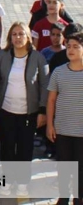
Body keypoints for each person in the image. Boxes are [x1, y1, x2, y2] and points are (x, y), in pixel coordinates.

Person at [0, 21, 49, 198]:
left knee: (25, 148)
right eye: (14, 34)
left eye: (21, 34)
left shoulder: (38, 57)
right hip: (6, 110)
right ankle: (7, 180)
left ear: (28, 37)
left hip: (28, 113)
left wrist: (42, 111)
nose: (17, 37)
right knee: (7, 147)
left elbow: (45, 85)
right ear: (10, 37)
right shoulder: (2, 55)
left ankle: (23, 182)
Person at [46, 32, 83, 205]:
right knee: (64, 166)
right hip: (62, 129)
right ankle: (63, 196)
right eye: (68, 46)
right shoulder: (59, 72)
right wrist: (50, 125)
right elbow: (51, 100)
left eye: (76, 46)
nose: (71, 50)